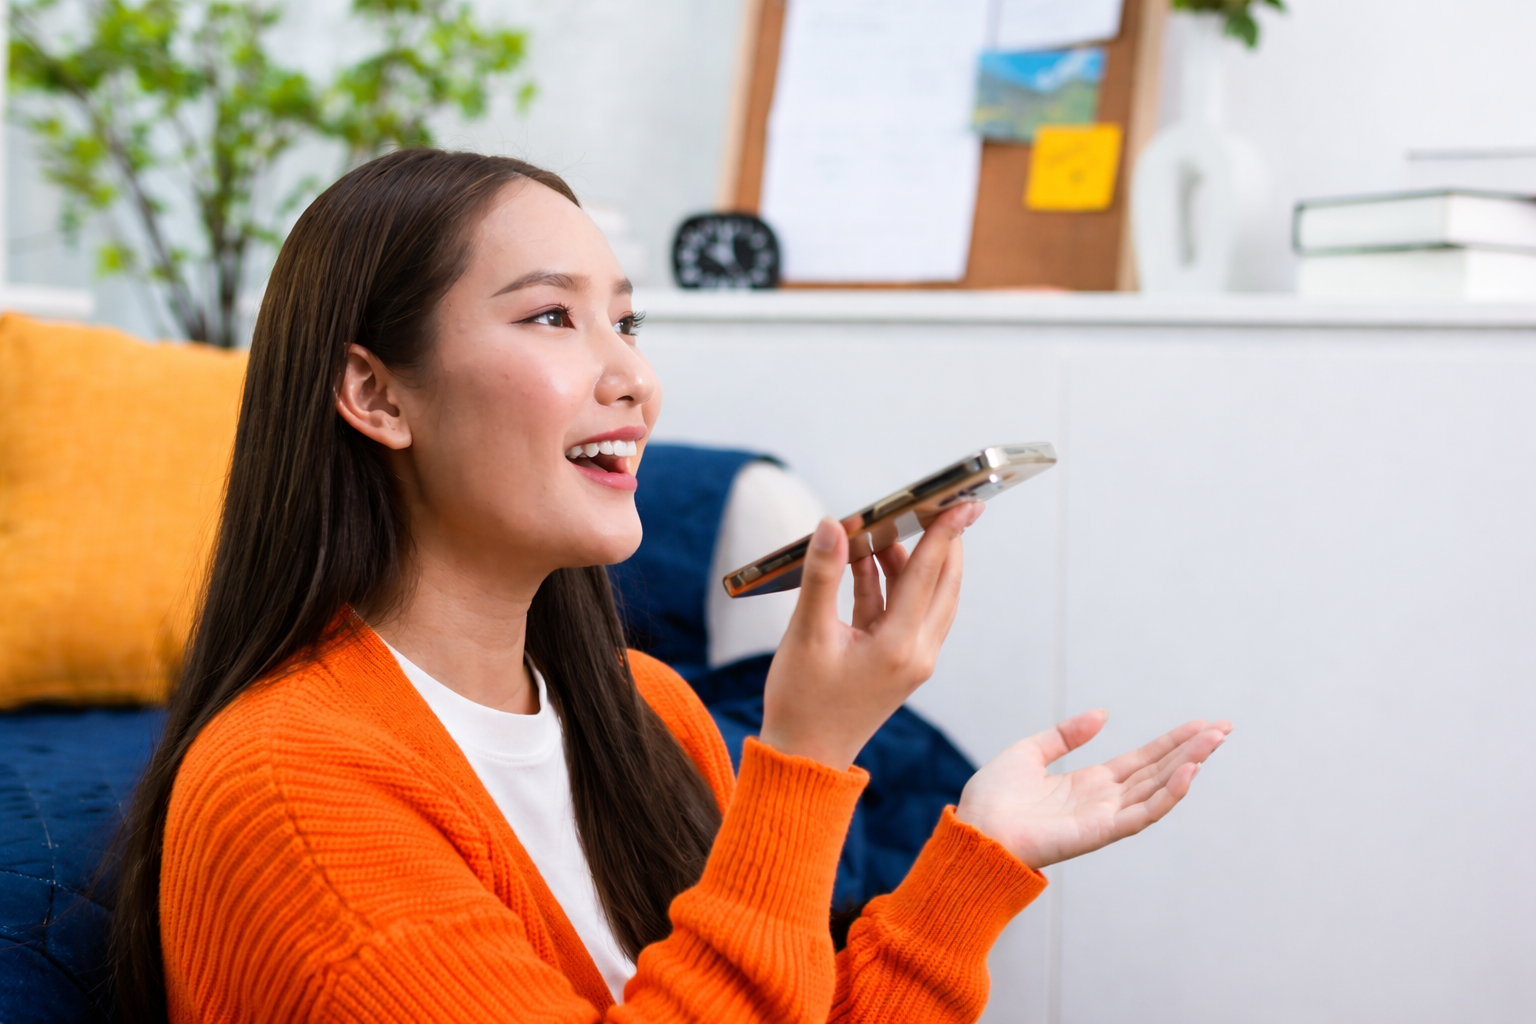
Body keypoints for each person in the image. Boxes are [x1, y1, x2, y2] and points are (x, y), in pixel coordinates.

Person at [109, 149, 1231, 1024]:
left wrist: (973, 867)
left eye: (627, 321)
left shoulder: (648, 711)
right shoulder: (288, 793)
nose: (634, 377)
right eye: (553, 316)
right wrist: (800, 766)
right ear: (376, 393)